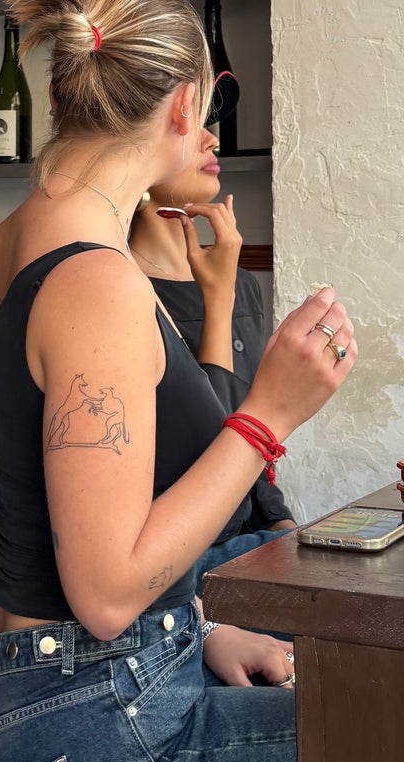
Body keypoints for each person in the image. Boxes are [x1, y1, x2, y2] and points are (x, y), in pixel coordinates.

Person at [0, 0, 358, 762]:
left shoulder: (21, 237)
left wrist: (207, 635)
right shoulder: (95, 281)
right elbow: (105, 593)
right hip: (100, 747)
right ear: (185, 106)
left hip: (59, 705)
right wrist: (268, 415)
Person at [127, 133, 298, 579]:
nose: (213, 138)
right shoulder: (124, 290)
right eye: (189, 127)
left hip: (247, 548)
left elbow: (249, 437)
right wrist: (218, 300)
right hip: (175, 572)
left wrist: (283, 528)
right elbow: (207, 455)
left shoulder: (241, 284)